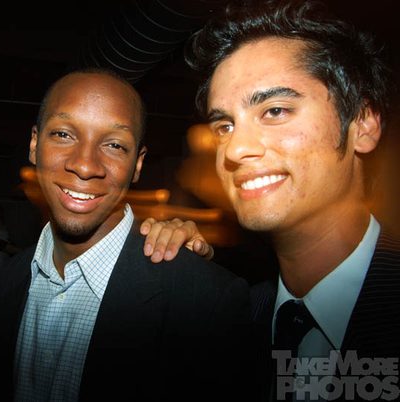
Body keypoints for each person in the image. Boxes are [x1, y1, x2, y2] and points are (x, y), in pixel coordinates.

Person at [140, 1, 400, 401]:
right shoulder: (231, 320)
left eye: (275, 110)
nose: (234, 149)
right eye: (224, 125)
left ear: (363, 124)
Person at [0, 68, 252, 401]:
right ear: (34, 144)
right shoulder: (10, 278)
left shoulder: (203, 301)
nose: (85, 166)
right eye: (63, 134)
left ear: (138, 165)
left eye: (114, 144)